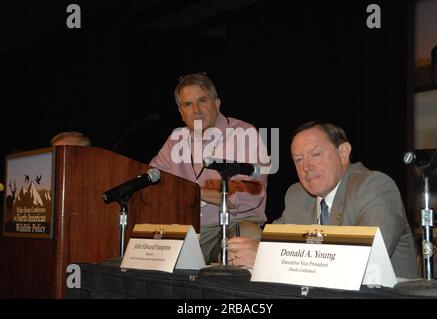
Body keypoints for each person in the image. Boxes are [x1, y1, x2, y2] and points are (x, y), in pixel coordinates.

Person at [228, 121, 418, 279]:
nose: (306, 167)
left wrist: (266, 258)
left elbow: (362, 263)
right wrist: (242, 250)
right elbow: (271, 242)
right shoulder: (297, 194)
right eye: (298, 160)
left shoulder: (374, 187)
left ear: (343, 153)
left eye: (316, 155)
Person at [150, 73, 269, 263]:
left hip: (229, 226)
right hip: (185, 228)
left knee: (247, 235)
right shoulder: (176, 140)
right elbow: (153, 181)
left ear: (217, 104)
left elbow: (243, 195)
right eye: (187, 104)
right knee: (146, 243)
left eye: (202, 100)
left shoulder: (244, 134)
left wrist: (193, 192)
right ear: (180, 113)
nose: (196, 110)